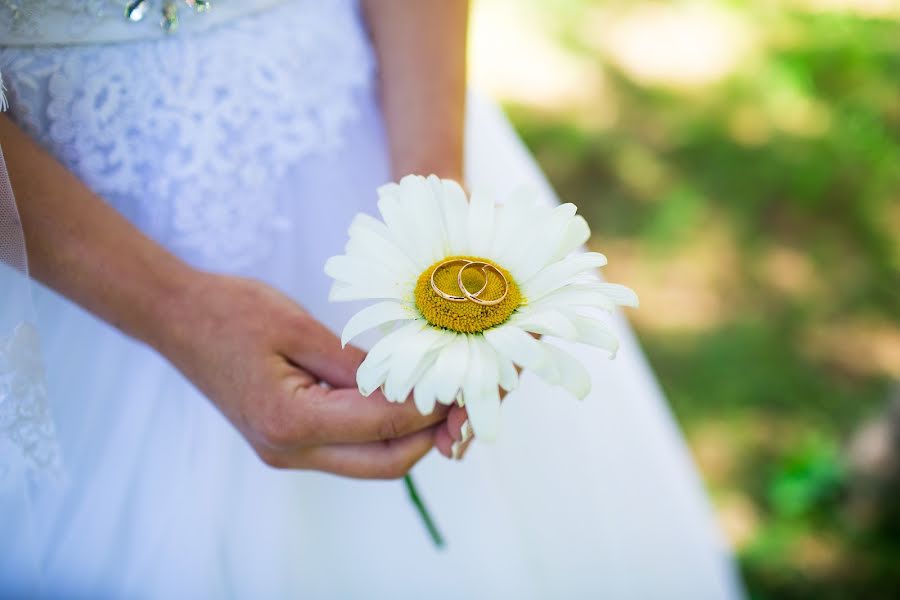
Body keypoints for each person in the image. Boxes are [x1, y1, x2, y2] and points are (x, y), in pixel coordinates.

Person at [0, 1, 743, 597]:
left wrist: (436, 212)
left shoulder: (434, 228)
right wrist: (172, 310)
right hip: (53, 249)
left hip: (379, 116)